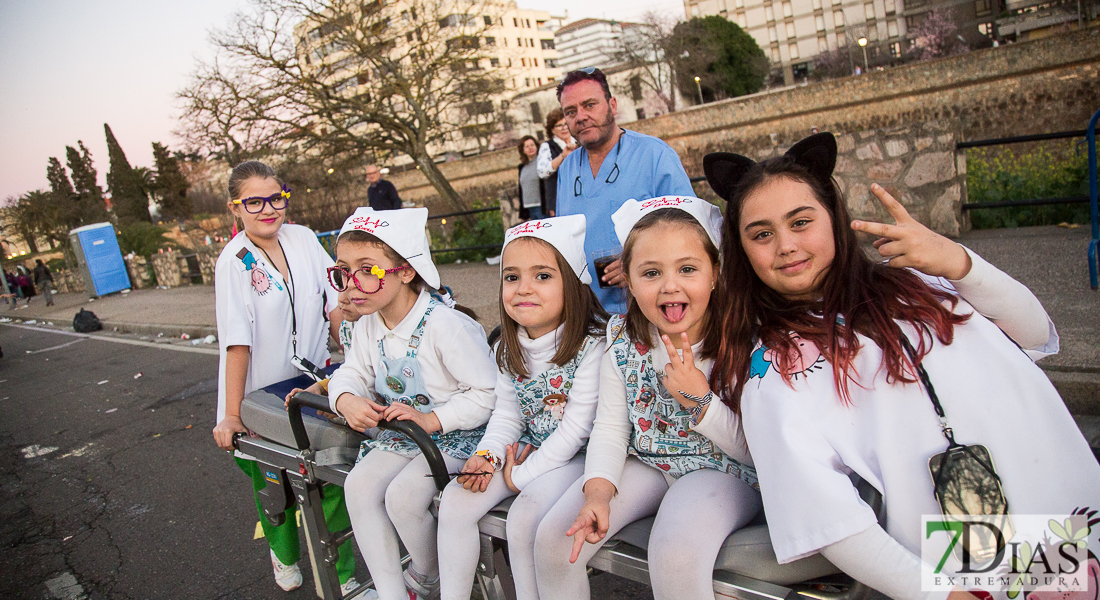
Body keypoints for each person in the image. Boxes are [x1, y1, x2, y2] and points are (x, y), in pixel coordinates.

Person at [705, 133, 1100, 600]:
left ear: (833, 218)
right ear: (743, 250)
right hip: (970, 562)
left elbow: (1032, 335)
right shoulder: (774, 371)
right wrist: (940, 596)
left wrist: (961, 263)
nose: (786, 245)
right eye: (762, 234)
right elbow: (828, 522)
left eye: (801, 221)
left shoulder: (919, 278)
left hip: (1069, 509)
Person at [533, 198, 760, 600]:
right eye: (651, 272)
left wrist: (699, 400)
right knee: (558, 538)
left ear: (714, 274)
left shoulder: (744, 338)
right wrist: (598, 495)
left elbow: (756, 451)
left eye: (687, 269)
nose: (670, 285)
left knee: (674, 553)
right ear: (630, 282)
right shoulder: (622, 337)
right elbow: (611, 428)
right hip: (651, 461)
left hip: (721, 471)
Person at [327, 207, 497, 600]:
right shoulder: (367, 323)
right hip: (408, 435)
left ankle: (425, 575)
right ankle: (392, 592)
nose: (351, 284)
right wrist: (345, 399)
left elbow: (489, 394)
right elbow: (351, 371)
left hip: (460, 435)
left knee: (403, 498)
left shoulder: (446, 326)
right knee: (359, 486)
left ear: (405, 271)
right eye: (343, 270)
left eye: (367, 269)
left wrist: (433, 419)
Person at [437, 215, 608, 600]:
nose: (523, 288)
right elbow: (508, 415)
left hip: (582, 457)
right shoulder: (506, 346)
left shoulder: (593, 345)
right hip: (528, 450)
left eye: (543, 276)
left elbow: (577, 429)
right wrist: (487, 454)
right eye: (511, 277)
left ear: (574, 283)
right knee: (456, 500)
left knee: (524, 517)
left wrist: (519, 476)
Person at [211, 160, 358, 594]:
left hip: (312, 384)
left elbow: (335, 305)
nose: (268, 209)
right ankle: (284, 553)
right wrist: (233, 414)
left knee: (333, 474)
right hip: (261, 395)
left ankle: (344, 575)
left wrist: (355, 357)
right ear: (235, 208)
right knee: (276, 486)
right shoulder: (233, 262)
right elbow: (237, 343)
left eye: (276, 197)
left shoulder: (304, 238)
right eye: (253, 201)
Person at [554, 67, 694, 314]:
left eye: (590, 105)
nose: (581, 116)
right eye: (571, 111)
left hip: (648, 311)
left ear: (612, 105)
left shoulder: (655, 156)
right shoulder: (567, 170)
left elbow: (691, 229)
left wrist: (638, 262)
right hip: (587, 316)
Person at [536, 108, 575, 217]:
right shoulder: (547, 146)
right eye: (559, 125)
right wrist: (562, 156)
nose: (564, 128)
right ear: (552, 129)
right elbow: (542, 172)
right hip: (559, 200)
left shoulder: (579, 141)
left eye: (566, 124)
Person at [516, 136, 546, 221]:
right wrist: (523, 214)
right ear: (522, 150)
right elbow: (522, 190)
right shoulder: (522, 167)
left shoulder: (542, 162)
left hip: (542, 207)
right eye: (527, 146)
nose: (530, 148)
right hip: (529, 208)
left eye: (532, 145)